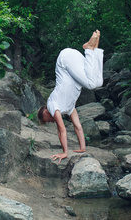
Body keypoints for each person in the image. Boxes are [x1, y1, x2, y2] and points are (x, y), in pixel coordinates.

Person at [38, 30, 104, 164]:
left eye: (46, 120)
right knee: (97, 82)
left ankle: (89, 49)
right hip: (73, 62)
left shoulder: (52, 104)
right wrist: (82, 148)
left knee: (91, 84)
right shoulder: (68, 108)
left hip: (65, 61)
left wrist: (64, 152)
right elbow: (78, 127)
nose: (50, 121)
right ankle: (93, 49)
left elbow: (61, 129)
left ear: (45, 112)